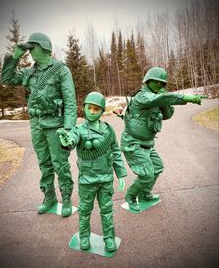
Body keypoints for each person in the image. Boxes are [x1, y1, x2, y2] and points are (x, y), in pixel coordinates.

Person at [1, 32, 77, 217]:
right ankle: (49, 197)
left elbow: (70, 101)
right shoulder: (30, 72)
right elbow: (6, 80)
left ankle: (66, 199)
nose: (29, 51)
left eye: (31, 47)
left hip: (56, 125)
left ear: (43, 47)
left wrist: (68, 129)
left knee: (60, 164)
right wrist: (15, 56)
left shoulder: (60, 70)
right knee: (44, 163)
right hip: (36, 124)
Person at [120, 67, 207, 211]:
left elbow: (167, 115)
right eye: (157, 83)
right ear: (148, 81)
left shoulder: (157, 98)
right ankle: (131, 196)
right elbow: (157, 99)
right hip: (133, 143)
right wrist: (187, 98)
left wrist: (164, 98)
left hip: (147, 143)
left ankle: (144, 194)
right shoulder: (143, 96)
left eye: (163, 84)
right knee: (146, 175)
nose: (160, 86)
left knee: (157, 167)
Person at [57, 91, 126, 252]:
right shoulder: (78, 130)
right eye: (89, 108)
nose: (92, 112)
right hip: (87, 180)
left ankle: (109, 238)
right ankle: (84, 237)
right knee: (85, 211)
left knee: (107, 210)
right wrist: (66, 142)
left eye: (96, 109)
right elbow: (71, 140)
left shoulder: (108, 130)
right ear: (85, 108)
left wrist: (121, 173)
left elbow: (115, 151)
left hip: (106, 178)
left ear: (102, 111)